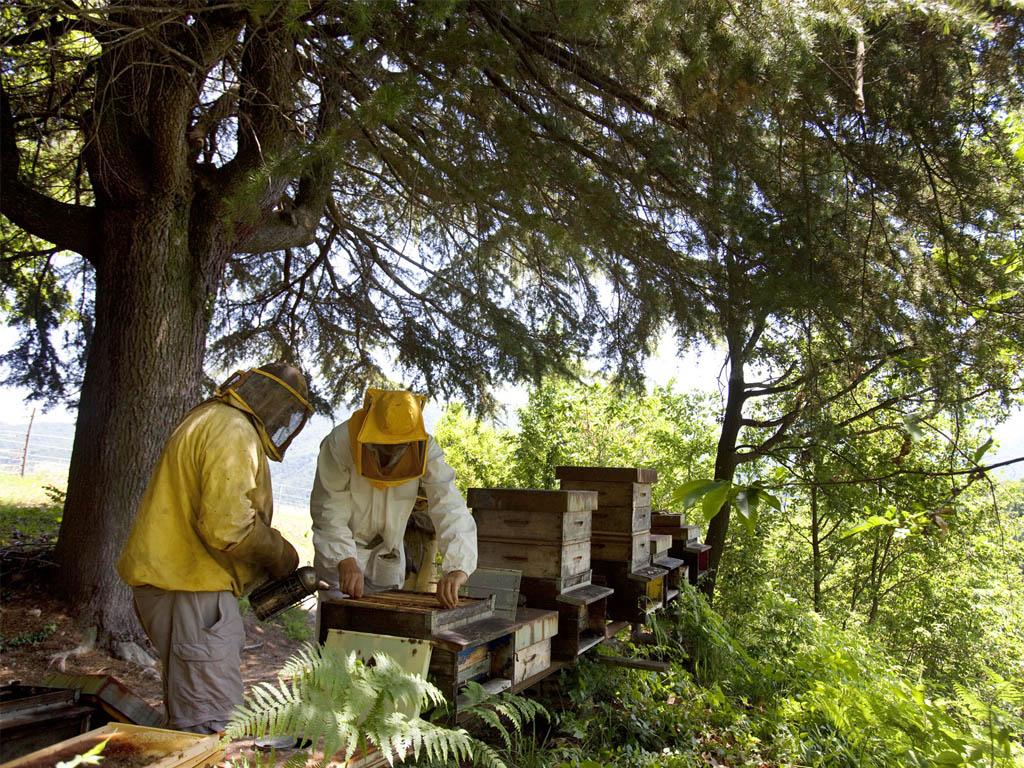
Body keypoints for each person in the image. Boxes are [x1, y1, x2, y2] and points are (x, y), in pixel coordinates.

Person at [117, 363, 312, 734]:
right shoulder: (233, 429)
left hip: (179, 588)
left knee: (192, 718)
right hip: (192, 591)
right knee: (211, 727)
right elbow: (228, 527)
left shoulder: (211, 418)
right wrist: (281, 554)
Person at [310, 388, 477, 610]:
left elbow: (449, 505)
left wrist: (458, 567)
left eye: (398, 450)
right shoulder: (340, 442)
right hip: (341, 562)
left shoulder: (426, 448)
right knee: (337, 634)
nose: (389, 457)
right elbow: (328, 509)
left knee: (384, 638)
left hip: (387, 556)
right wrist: (344, 558)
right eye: (383, 449)